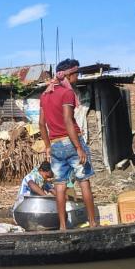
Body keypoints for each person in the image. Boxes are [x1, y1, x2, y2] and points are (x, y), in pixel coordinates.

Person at [39, 58, 97, 230]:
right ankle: (93, 223)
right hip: (71, 142)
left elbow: (42, 124)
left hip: (55, 145)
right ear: (68, 75)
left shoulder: (45, 95)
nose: (77, 77)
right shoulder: (67, 93)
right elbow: (67, 120)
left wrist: (48, 146)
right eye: (76, 73)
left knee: (60, 186)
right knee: (84, 181)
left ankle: (63, 227)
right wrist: (78, 147)